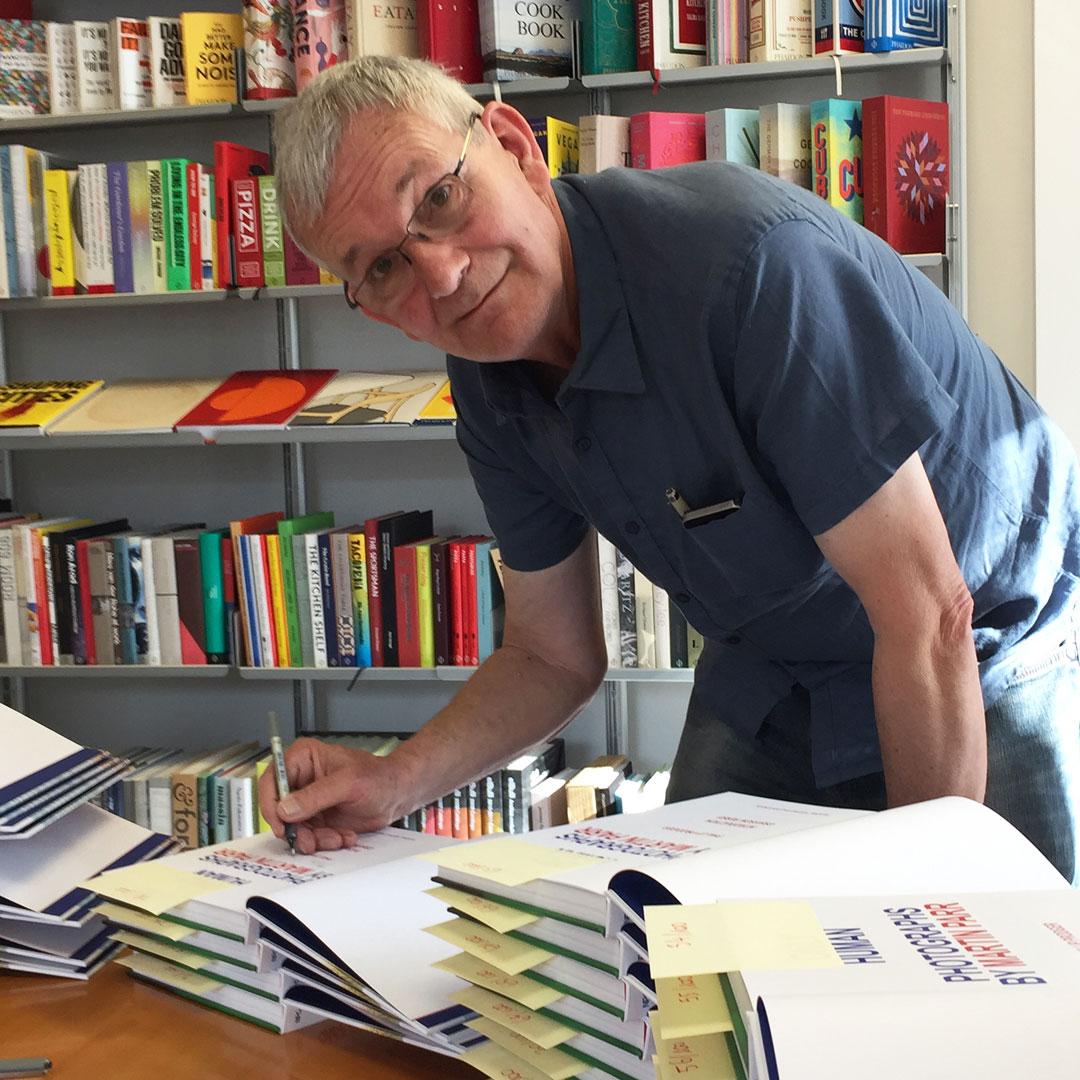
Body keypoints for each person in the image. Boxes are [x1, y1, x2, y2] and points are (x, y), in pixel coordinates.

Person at [259, 55, 1080, 882]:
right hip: (772, 656)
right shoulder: (485, 381)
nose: (441, 272)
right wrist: (391, 782)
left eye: (439, 197)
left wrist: (919, 914)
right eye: (385, 268)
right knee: (674, 965)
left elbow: (925, 614)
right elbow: (552, 654)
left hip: (982, 636)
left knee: (989, 973)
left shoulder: (752, 271)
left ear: (513, 144)